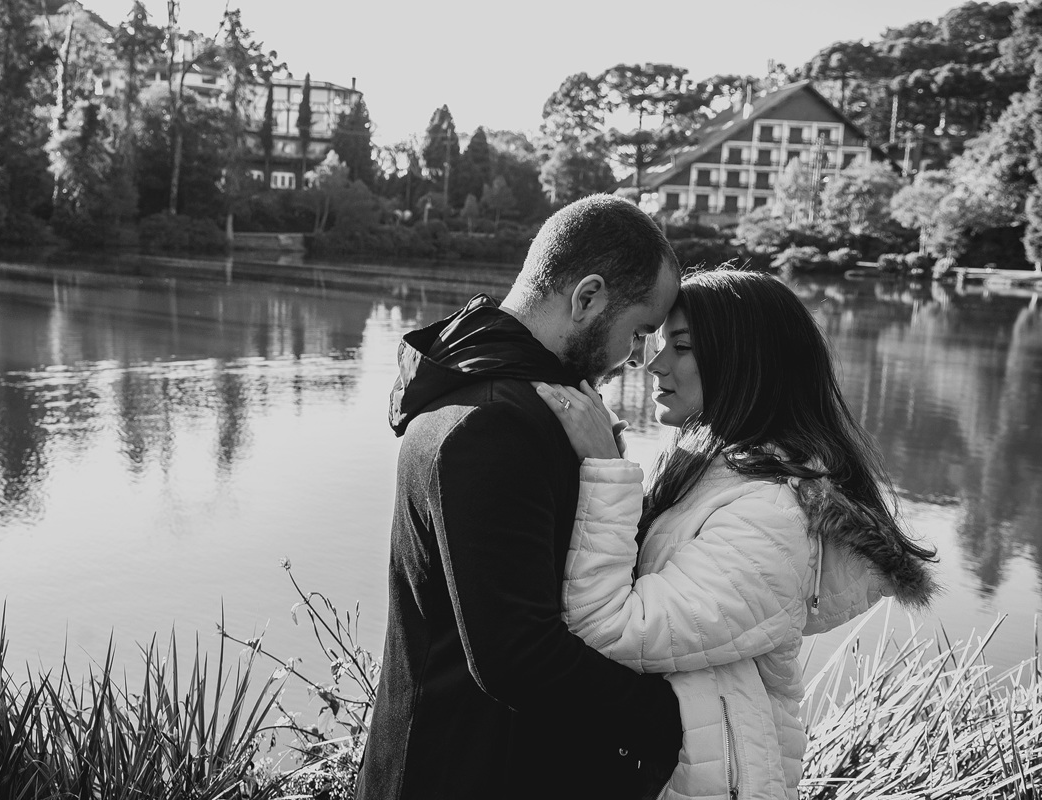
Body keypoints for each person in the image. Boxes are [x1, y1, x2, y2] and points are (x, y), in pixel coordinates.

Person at [535, 269, 937, 799]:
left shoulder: (771, 512)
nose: (654, 364)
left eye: (680, 347)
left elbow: (613, 628)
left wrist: (605, 472)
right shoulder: (717, 475)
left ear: (744, 361)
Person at [355, 195, 684, 800]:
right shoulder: (490, 424)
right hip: (460, 772)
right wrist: (667, 718)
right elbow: (518, 655)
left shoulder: (506, 399)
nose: (638, 358)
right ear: (587, 297)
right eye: (638, 331)